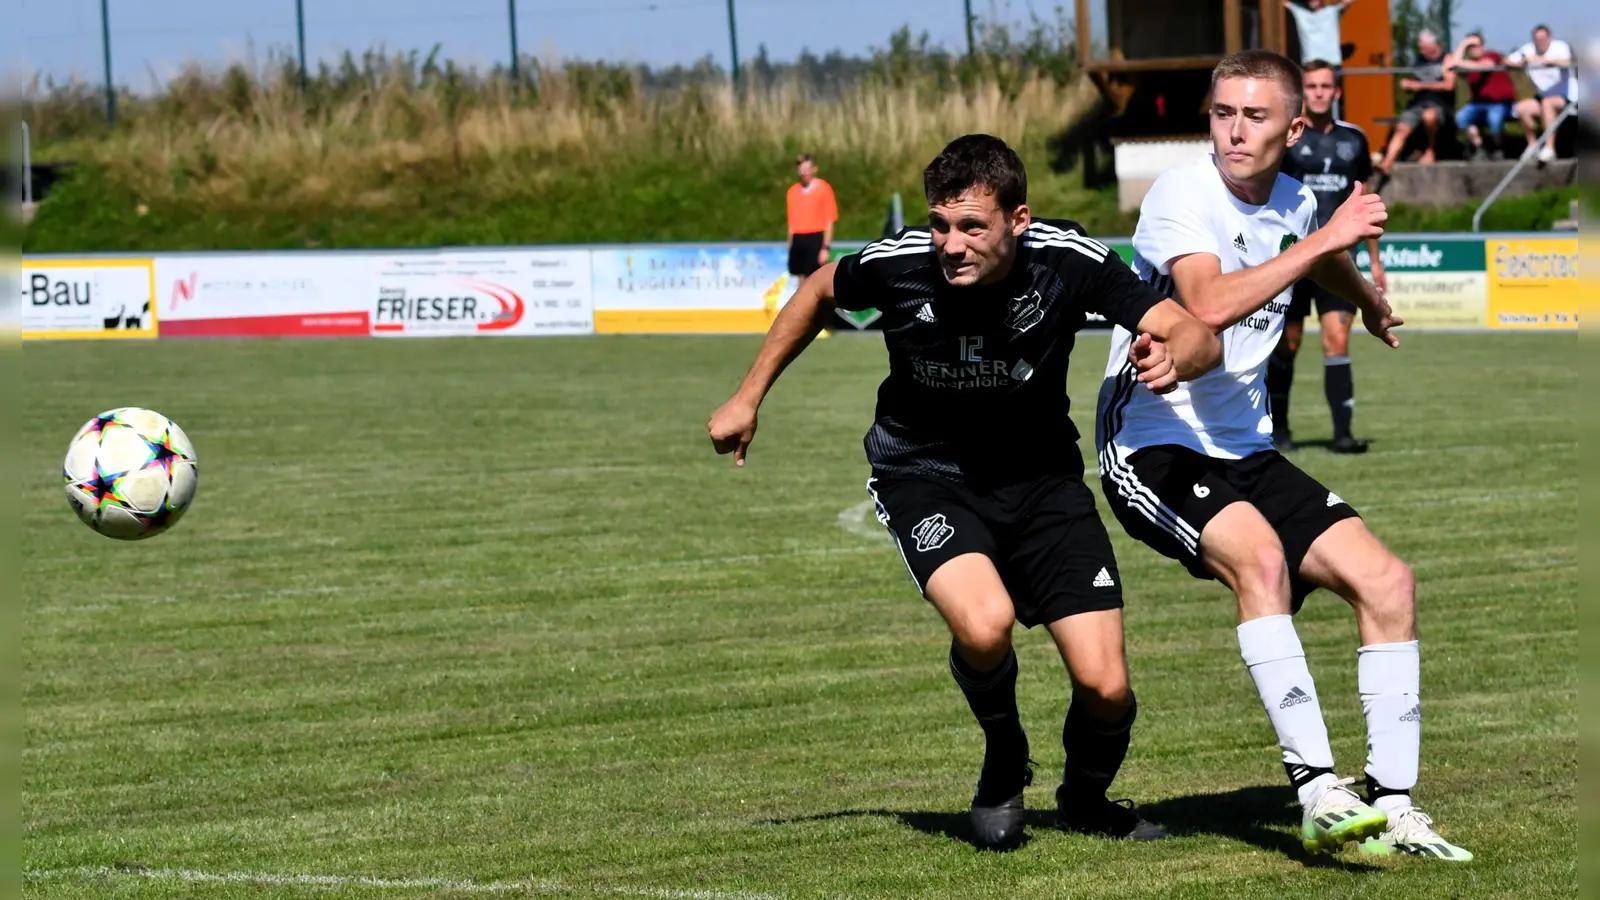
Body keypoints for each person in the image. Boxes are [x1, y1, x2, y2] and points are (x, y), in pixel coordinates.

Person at [710, 134, 1220, 850]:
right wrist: (748, 395)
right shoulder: (900, 267)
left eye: (972, 226)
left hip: (1042, 484)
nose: (951, 244)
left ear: (1018, 220)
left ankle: (1084, 797)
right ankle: (1004, 752)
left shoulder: (1065, 261)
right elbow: (820, 289)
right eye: (939, 225)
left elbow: (1189, 330)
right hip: (925, 475)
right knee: (984, 625)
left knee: (1106, 690)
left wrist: (1179, 354)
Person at [1096, 49, 1472, 861]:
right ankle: (1317, 791)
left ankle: (1396, 803)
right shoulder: (1180, 194)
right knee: (1261, 559)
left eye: (1254, 116)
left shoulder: (1297, 198)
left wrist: (1364, 295)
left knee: (1387, 580)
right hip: (1152, 441)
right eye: (1222, 113)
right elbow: (1203, 305)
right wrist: (1322, 242)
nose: (1233, 131)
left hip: (1247, 450)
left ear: (1292, 127)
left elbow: (1314, 243)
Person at [1272, 59, 1385, 454]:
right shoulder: (1286, 136)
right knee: (1287, 345)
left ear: (1337, 92)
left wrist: (1374, 259)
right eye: (1313, 86)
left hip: (1340, 260)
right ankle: (1278, 430)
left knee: (1337, 340)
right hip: (1293, 257)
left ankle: (1342, 434)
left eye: (1326, 86)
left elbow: (1364, 198)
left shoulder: (1354, 139)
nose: (1319, 92)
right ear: (1304, 92)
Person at [1375, 30, 1456, 174]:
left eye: (1423, 47)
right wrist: (1408, 85)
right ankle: (1386, 163)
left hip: (1440, 105)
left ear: (1434, 45)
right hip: (1418, 103)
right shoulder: (1419, 61)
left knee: (1429, 116)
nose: (1421, 50)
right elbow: (1415, 84)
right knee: (1402, 126)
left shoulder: (1447, 59)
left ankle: (1430, 151)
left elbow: (1449, 85)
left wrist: (1420, 85)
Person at [1508, 25, 1576, 163]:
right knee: (1521, 108)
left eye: (1543, 39)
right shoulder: (1528, 49)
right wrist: (1521, 63)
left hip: (1568, 98)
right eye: (1537, 39)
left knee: (1547, 103)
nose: (1541, 42)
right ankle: (1533, 145)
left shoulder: (1560, 47)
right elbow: (1507, 61)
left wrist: (1539, 61)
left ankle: (1549, 148)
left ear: (1550, 38)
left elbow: (1566, 62)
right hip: (1543, 97)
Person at [786, 154, 839, 280]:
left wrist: (825, 247)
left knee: (815, 279)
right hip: (798, 238)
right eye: (801, 169)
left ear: (814, 169)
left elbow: (829, 220)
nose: (804, 173)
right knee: (800, 278)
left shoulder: (824, 189)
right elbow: (791, 223)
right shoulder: (792, 191)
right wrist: (790, 244)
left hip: (815, 237)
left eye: (807, 169)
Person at [1283, 0, 1357, 67]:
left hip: (1332, 63)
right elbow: (1283, 3)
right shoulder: (1300, 12)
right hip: (1311, 64)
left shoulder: (1332, 11)